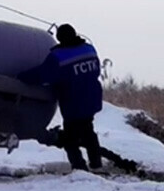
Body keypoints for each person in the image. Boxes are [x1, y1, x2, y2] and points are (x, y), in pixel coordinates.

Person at [19, 24, 103, 171]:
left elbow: (42, 75)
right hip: (92, 99)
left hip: (74, 103)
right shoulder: (89, 49)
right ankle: (96, 165)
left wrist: (21, 77)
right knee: (88, 132)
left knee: (70, 138)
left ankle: (79, 168)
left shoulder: (59, 57)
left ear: (60, 39)